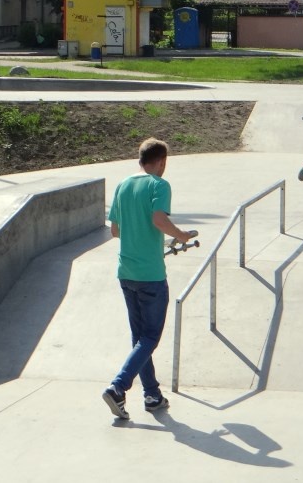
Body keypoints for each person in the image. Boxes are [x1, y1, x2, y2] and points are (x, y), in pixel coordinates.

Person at [102, 138, 195, 420]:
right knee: (150, 337)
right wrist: (181, 236)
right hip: (150, 275)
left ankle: (152, 395)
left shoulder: (123, 185)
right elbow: (158, 219)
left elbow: (115, 230)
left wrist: (138, 234)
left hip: (126, 273)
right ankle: (118, 388)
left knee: (140, 338)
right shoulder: (159, 185)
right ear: (162, 161)